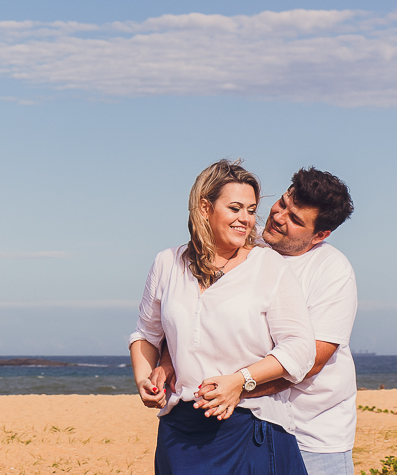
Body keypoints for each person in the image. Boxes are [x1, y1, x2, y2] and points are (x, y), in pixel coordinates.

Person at [153, 168, 357, 475]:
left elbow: (311, 360)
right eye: (283, 203)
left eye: (295, 218)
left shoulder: (332, 271)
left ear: (320, 235)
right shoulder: (244, 242)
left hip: (313, 432)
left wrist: (236, 388)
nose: (278, 216)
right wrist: (169, 360)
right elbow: (193, 313)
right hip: (249, 425)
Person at [129, 159, 316, 475]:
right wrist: (144, 379)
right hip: (180, 430)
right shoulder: (166, 263)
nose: (246, 219)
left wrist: (239, 382)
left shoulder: (269, 266)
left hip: (250, 423)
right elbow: (147, 334)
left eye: (251, 210)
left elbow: (300, 348)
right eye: (235, 208)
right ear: (205, 208)